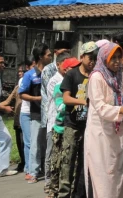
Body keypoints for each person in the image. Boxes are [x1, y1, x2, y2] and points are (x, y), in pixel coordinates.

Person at [84, 42, 123, 198]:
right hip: (100, 136)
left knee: (120, 176)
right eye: (113, 58)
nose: (117, 61)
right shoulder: (97, 77)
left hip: (118, 134)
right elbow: (99, 106)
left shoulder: (122, 76)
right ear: (105, 57)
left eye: (120, 57)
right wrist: (120, 110)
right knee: (103, 178)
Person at [59, 41, 98, 198]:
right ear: (82, 57)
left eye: (95, 58)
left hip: (89, 126)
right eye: (90, 57)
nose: (92, 61)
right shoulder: (72, 74)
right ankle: (64, 195)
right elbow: (66, 98)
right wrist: (84, 102)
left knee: (84, 163)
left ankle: (79, 194)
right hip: (72, 125)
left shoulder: (96, 76)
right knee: (67, 163)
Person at [19, 43, 52, 184]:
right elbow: (22, 94)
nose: (51, 57)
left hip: (50, 114)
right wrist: (37, 98)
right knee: (35, 144)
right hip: (36, 113)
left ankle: (46, 170)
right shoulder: (30, 75)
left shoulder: (52, 72)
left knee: (47, 144)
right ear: (41, 57)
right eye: (48, 55)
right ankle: (33, 172)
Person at [41, 40, 71, 193]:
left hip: (66, 122)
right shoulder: (54, 80)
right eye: (66, 65)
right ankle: (48, 183)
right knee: (52, 153)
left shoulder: (68, 78)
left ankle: (59, 182)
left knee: (62, 155)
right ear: (59, 65)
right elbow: (59, 102)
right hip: (54, 121)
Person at [46, 55, 77, 198]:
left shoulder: (77, 85)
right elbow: (60, 106)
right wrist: (75, 102)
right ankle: (53, 189)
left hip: (70, 129)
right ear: (66, 70)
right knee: (57, 161)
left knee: (68, 161)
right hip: (59, 129)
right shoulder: (59, 86)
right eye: (73, 67)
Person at [0, 65, 25, 172]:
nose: (19, 73)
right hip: (17, 118)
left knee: (26, 142)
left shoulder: (30, 86)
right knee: (20, 142)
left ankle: (28, 163)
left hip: (27, 118)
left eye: (22, 71)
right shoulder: (17, 88)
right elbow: (7, 101)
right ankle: (23, 161)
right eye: (18, 72)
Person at [19, 56, 35, 180]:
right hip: (26, 113)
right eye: (33, 66)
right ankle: (29, 168)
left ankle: (32, 167)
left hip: (36, 113)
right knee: (29, 142)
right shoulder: (25, 79)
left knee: (34, 142)